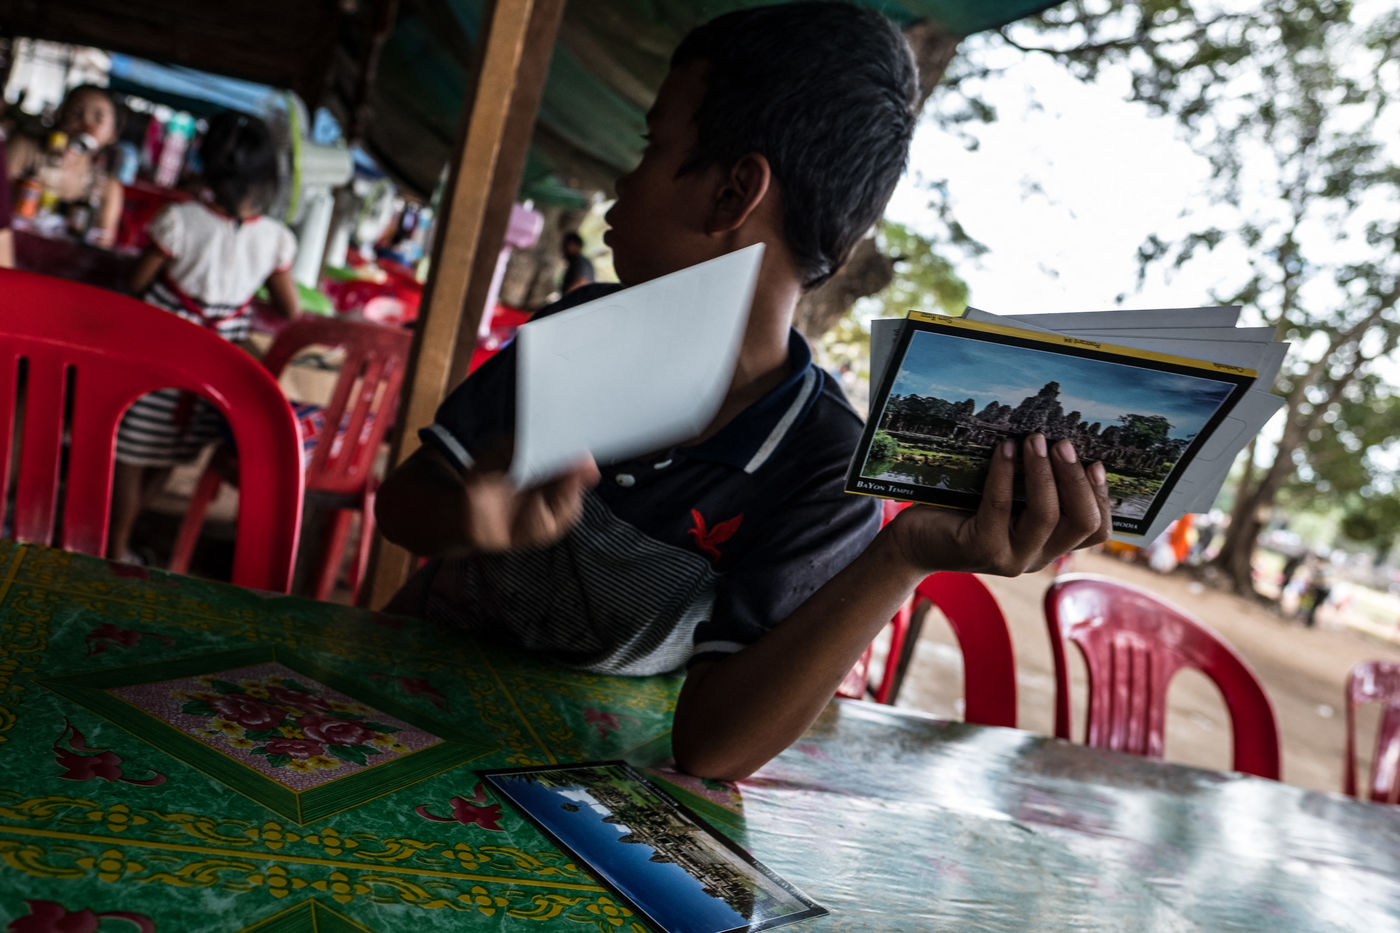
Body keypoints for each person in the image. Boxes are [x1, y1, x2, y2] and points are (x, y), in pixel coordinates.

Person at [375, 2, 1109, 780]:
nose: (623, 182)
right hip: (387, 704)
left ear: (733, 193)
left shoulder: (822, 464)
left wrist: (901, 557)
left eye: (653, 147)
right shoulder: (584, 334)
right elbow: (401, 508)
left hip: (557, 773)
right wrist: (467, 515)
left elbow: (713, 748)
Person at [107, 111, 300, 564]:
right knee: (171, 452)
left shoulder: (179, 220)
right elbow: (290, 309)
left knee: (130, 452)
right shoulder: (275, 240)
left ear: (206, 165)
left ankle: (113, 544)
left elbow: (137, 282)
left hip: (157, 356)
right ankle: (120, 544)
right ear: (268, 178)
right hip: (211, 367)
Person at [5, 84, 125, 245]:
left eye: (98, 118)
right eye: (76, 112)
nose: (86, 123)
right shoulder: (24, 149)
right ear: (60, 114)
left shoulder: (107, 188)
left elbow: (103, 244)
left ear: (112, 134)